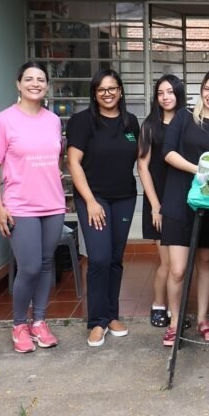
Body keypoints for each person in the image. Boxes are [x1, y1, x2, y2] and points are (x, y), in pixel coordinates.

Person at [0, 62, 65, 353]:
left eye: (41, 79)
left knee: (45, 265)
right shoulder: (3, 121)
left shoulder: (53, 120)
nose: (35, 83)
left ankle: (39, 321)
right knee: (29, 266)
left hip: (53, 204)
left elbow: (56, 161)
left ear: (47, 86)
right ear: (17, 84)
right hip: (20, 206)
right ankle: (19, 324)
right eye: (28, 79)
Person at [161, 69, 209, 347]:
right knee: (178, 269)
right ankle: (174, 322)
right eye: (207, 88)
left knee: (205, 262)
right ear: (201, 90)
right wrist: (200, 170)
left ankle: (203, 318)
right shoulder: (184, 117)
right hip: (179, 200)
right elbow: (167, 152)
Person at [66, 69, 139, 348]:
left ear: (120, 90)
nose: (107, 94)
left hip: (124, 198)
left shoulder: (130, 122)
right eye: (101, 90)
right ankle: (96, 321)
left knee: (115, 258)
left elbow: (140, 160)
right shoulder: (82, 122)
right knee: (98, 258)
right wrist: (92, 201)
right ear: (94, 94)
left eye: (112, 88)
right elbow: (73, 163)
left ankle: (111, 316)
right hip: (93, 199)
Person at [137, 74, 183, 329]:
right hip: (157, 201)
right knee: (166, 262)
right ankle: (158, 306)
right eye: (161, 93)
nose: (166, 97)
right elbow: (142, 167)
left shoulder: (186, 123)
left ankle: (177, 311)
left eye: (170, 92)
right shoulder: (150, 126)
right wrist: (155, 205)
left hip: (181, 201)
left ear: (178, 94)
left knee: (180, 264)